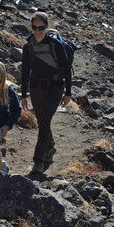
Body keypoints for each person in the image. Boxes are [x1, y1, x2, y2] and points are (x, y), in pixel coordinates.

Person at [20, 11, 72, 175]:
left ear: (47, 27)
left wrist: (68, 93)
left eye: (41, 27)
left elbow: (67, 69)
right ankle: (50, 146)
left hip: (55, 87)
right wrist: (23, 95)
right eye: (34, 27)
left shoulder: (55, 45)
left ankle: (38, 162)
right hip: (36, 88)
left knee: (43, 123)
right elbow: (25, 71)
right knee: (42, 121)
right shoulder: (28, 45)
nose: (37, 31)